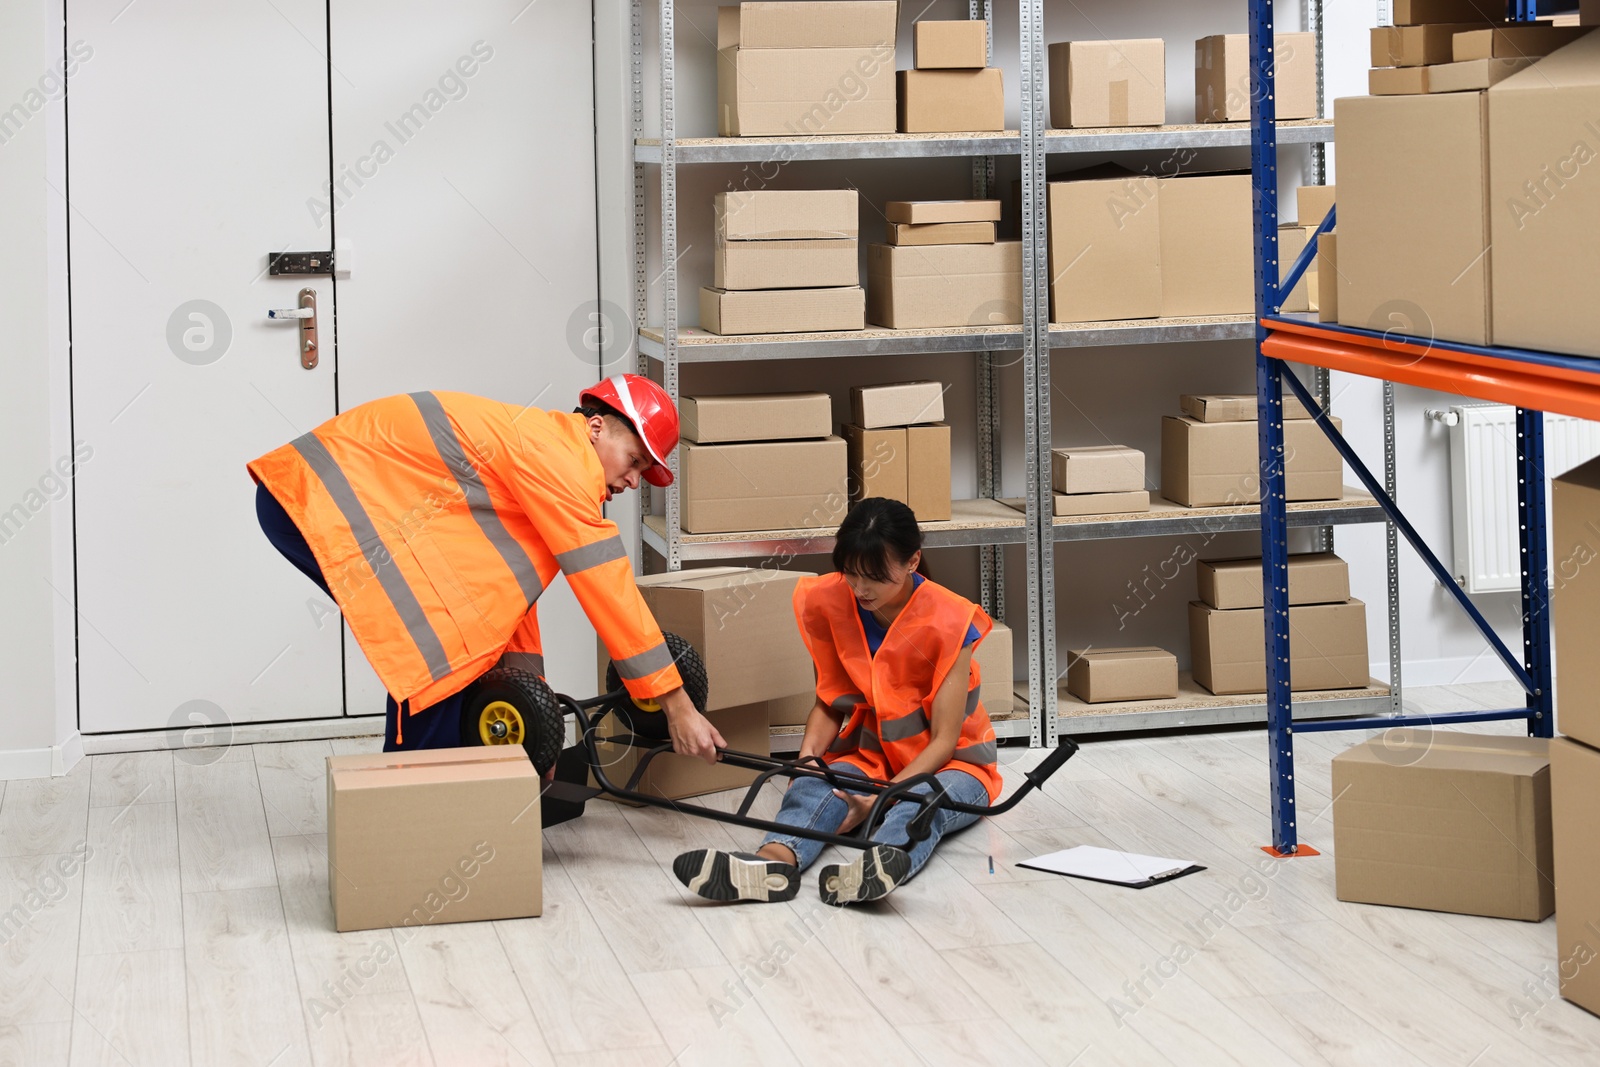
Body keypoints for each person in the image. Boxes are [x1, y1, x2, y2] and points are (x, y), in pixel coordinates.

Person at [247, 374, 723, 759]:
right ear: (596, 426)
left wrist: (535, 738)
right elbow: (607, 587)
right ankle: (417, 794)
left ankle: (434, 785)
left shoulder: (549, 462)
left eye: (644, 472)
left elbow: (508, 606)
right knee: (437, 643)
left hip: (319, 495)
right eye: (634, 460)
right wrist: (676, 704)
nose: (634, 481)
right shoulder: (561, 461)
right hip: (310, 498)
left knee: (463, 626)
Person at [673, 497, 1001, 906]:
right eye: (850, 572)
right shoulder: (828, 600)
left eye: (875, 577)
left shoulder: (952, 619)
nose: (860, 588)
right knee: (814, 786)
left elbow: (943, 741)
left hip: (956, 764)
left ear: (913, 561)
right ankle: (770, 865)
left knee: (921, 805)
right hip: (872, 755)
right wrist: (809, 758)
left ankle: (878, 866)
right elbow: (830, 703)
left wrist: (880, 796)